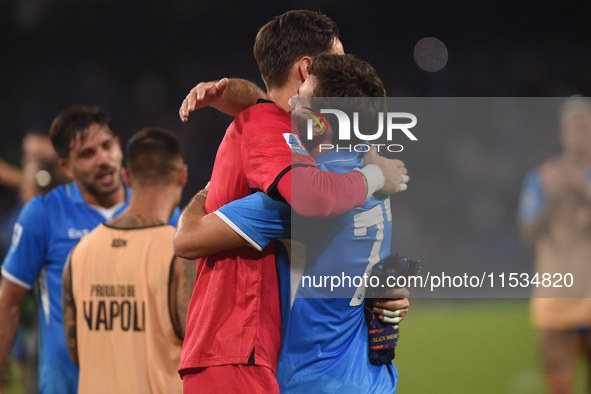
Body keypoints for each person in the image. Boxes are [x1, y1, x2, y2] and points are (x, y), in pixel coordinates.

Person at [174, 10, 408, 394]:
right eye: (336, 59)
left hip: (302, 374)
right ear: (307, 67)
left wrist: (208, 189)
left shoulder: (309, 183)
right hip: (369, 376)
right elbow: (265, 107)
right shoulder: (363, 162)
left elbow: (187, 238)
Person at [0, 106, 180, 394]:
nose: (103, 160)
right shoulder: (44, 214)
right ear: (67, 168)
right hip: (66, 386)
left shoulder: (161, 209)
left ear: (119, 147)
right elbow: (9, 300)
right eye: (87, 154)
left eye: (107, 146)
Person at [62, 128, 194, 394]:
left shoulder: (79, 252)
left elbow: (77, 352)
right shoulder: (181, 254)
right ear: (182, 174)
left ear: (126, 177)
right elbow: (202, 354)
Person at [518, 96, 591, 394]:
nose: (578, 135)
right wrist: (551, 202)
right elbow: (528, 234)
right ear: (562, 134)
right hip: (556, 303)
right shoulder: (541, 178)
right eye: (572, 128)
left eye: (584, 128)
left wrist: (581, 192)